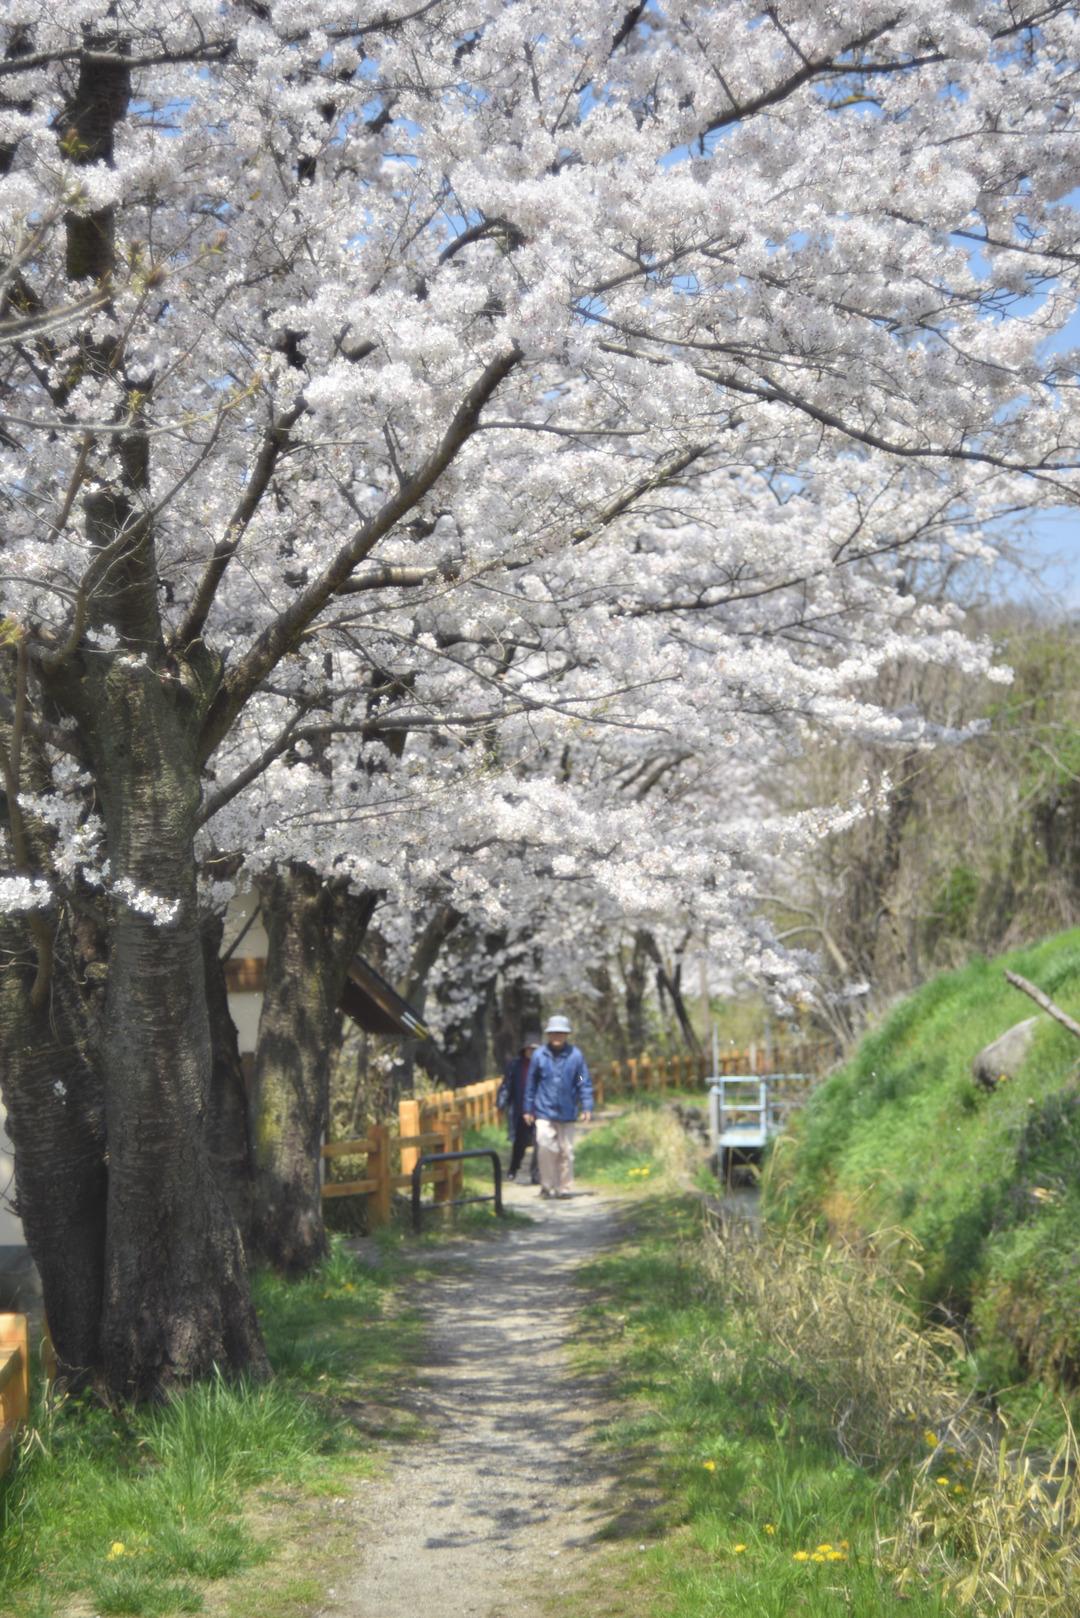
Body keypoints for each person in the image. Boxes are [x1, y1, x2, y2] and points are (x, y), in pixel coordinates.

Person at [523, 1015, 593, 1199]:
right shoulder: (539, 1056)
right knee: (545, 1148)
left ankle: (564, 1188)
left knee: (566, 1152)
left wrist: (586, 1105)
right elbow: (532, 1083)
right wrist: (528, 1109)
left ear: (567, 1035)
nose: (557, 1036)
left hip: (567, 1111)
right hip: (544, 1110)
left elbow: (581, 1080)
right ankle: (546, 1186)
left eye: (561, 1033)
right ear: (548, 1034)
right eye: (554, 1033)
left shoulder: (575, 1056)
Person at [497, 1032, 541, 1183]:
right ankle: (513, 1168)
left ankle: (536, 1174)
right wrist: (501, 1103)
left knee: (539, 1142)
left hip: (540, 1110)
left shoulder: (545, 1064)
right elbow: (507, 1085)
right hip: (520, 1110)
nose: (532, 1052)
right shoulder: (515, 1065)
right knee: (519, 1143)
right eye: (529, 1049)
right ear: (524, 1050)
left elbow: (579, 1076)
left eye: (535, 1049)